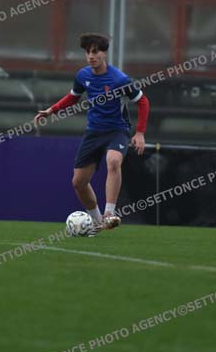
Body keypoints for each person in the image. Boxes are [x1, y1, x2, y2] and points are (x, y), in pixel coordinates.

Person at [35, 33, 150, 233]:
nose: (91, 56)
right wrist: (52, 110)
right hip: (93, 132)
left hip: (117, 130)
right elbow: (73, 97)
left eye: (95, 52)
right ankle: (98, 222)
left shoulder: (119, 79)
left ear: (104, 53)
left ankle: (109, 213)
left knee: (113, 161)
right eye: (88, 52)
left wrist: (139, 132)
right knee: (79, 182)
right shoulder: (83, 75)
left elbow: (142, 101)